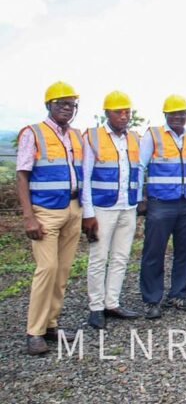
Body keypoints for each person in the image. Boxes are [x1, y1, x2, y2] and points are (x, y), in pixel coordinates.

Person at [17, 82, 83, 355]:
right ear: (49, 106)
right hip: (45, 212)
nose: (67, 109)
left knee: (63, 270)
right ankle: (34, 331)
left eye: (71, 105)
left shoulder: (76, 136)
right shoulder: (33, 133)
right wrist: (29, 217)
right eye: (61, 104)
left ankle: (51, 324)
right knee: (46, 270)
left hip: (72, 209)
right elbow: (22, 175)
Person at [82, 91, 142, 329]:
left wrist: (140, 199)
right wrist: (88, 212)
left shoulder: (134, 138)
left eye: (127, 112)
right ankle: (96, 307)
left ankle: (112, 302)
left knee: (121, 257)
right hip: (102, 207)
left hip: (128, 206)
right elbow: (85, 176)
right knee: (98, 257)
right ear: (107, 113)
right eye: (119, 112)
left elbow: (139, 171)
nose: (124, 116)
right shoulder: (93, 137)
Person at [138, 95, 186, 320]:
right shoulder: (153, 135)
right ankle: (152, 299)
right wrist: (141, 199)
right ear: (165, 115)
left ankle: (178, 294)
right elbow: (139, 167)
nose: (178, 117)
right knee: (154, 252)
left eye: (182, 113)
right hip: (160, 203)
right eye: (173, 113)